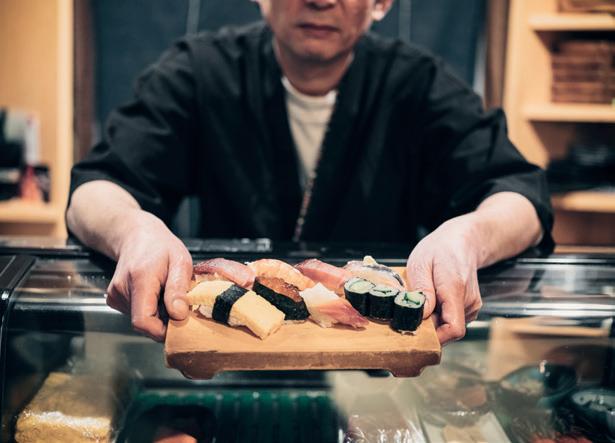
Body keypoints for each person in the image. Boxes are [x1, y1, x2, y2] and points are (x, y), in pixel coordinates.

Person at [66, 0, 553, 345]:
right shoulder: (200, 70)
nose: (321, 0)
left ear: (381, 2)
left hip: (377, 364)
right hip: (230, 348)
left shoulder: (419, 83)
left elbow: (519, 197)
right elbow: (96, 189)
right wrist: (135, 230)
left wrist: (466, 238)